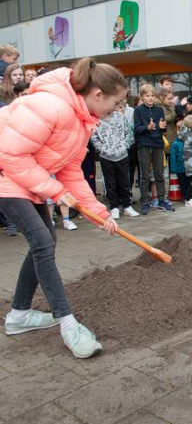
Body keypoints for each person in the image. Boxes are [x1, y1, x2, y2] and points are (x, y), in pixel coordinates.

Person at [0, 57, 126, 359]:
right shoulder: (51, 106)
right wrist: (55, 192)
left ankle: (18, 316)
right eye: (116, 102)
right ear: (97, 95)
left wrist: (100, 213)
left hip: (29, 181)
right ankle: (68, 324)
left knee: (46, 241)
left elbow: (70, 170)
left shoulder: (82, 119)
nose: (117, 109)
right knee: (42, 243)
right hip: (7, 176)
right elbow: (10, 154)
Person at [91, 101, 139, 219]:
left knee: (125, 181)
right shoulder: (97, 120)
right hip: (106, 156)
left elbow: (129, 134)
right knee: (110, 182)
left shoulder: (120, 117)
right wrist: (102, 148)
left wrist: (124, 147)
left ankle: (127, 206)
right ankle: (114, 207)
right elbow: (93, 136)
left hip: (122, 155)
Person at [133, 83, 173, 214]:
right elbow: (137, 129)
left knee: (159, 174)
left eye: (152, 95)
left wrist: (162, 127)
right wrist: (147, 127)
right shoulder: (138, 110)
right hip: (144, 144)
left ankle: (161, 201)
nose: (150, 98)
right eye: (147, 96)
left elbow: (163, 129)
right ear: (142, 97)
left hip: (157, 143)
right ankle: (145, 201)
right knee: (145, 175)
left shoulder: (159, 110)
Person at [169, 121, 189, 201]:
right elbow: (173, 157)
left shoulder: (188, 142)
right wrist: (173, 169)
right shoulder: (175, 144)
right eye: (178, 129)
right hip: (180, 169)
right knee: (183, 184)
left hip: (189, 167)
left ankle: (190, 196)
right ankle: (184, 197)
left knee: (189, 183)